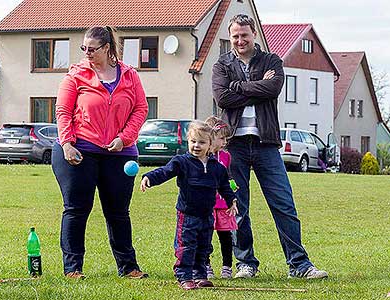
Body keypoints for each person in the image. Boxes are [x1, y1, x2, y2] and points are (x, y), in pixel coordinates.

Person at [212, 14, 328, 279]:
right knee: (237, 205)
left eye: (245, 35)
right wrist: (256, 86)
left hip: (266, 144)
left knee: (284, 204)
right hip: (233, 146)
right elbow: (222, 97)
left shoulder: (272, 61)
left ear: (254, 35)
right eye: (235, 36)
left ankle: (299, 265)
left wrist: (238, 87)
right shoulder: (222, 64)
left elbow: (273, 88)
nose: (240, 40)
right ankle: (246, 264)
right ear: (231, 38)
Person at [52, 26, 148, 279]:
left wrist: (124, 138)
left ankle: (128, 267)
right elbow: (62, 111)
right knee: (76, 209)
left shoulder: (129, 76)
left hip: (120, 152)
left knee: (118, 211)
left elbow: (141, 109)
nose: (87, 53)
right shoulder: (75, 76)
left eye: (92, 49)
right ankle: (73, 268)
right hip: (80, 150)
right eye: (84, 48)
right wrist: (67, 144)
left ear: (107, 48)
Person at [140, 120, 238, 290]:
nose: (196, 146)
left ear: (210, 144)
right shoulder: (182, 162)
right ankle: (184, 276)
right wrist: (149, 177)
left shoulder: (217, 168)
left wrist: (232, 200)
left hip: (207, 215)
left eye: (201, 142)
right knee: (186, 246)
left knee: (204, 247)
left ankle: (200, 275)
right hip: (187, 215)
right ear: (188, 141)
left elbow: (223, 186)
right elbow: (165, 171)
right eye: (193, 141)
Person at [204, 116, 237, 279]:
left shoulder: (226, 156)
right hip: (207, 205)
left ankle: (227, 267)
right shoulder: (202, 157)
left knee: (225, 236)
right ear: (211, 136)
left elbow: (228, 176)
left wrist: (232, 187)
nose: (224, 142)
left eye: (226, 138)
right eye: (221, 138)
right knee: (205, 236)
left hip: (224, 205)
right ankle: (206, 265)